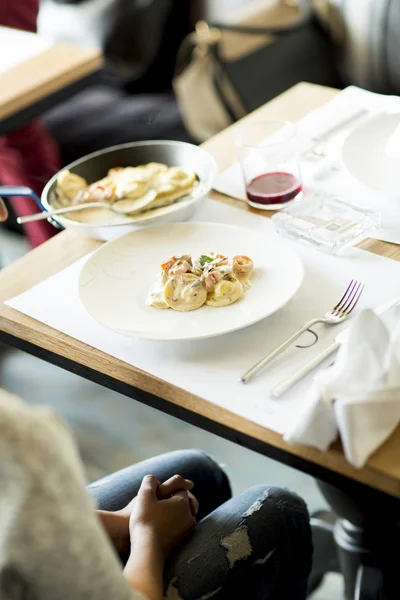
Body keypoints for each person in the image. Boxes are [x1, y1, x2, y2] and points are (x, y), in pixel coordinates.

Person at [0, 202, 312, 599]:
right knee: (278, 510)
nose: (3, 212)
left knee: (199, 474)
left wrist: (124, 521)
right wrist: (147, 536)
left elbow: (19, 518)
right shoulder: (19, 440)